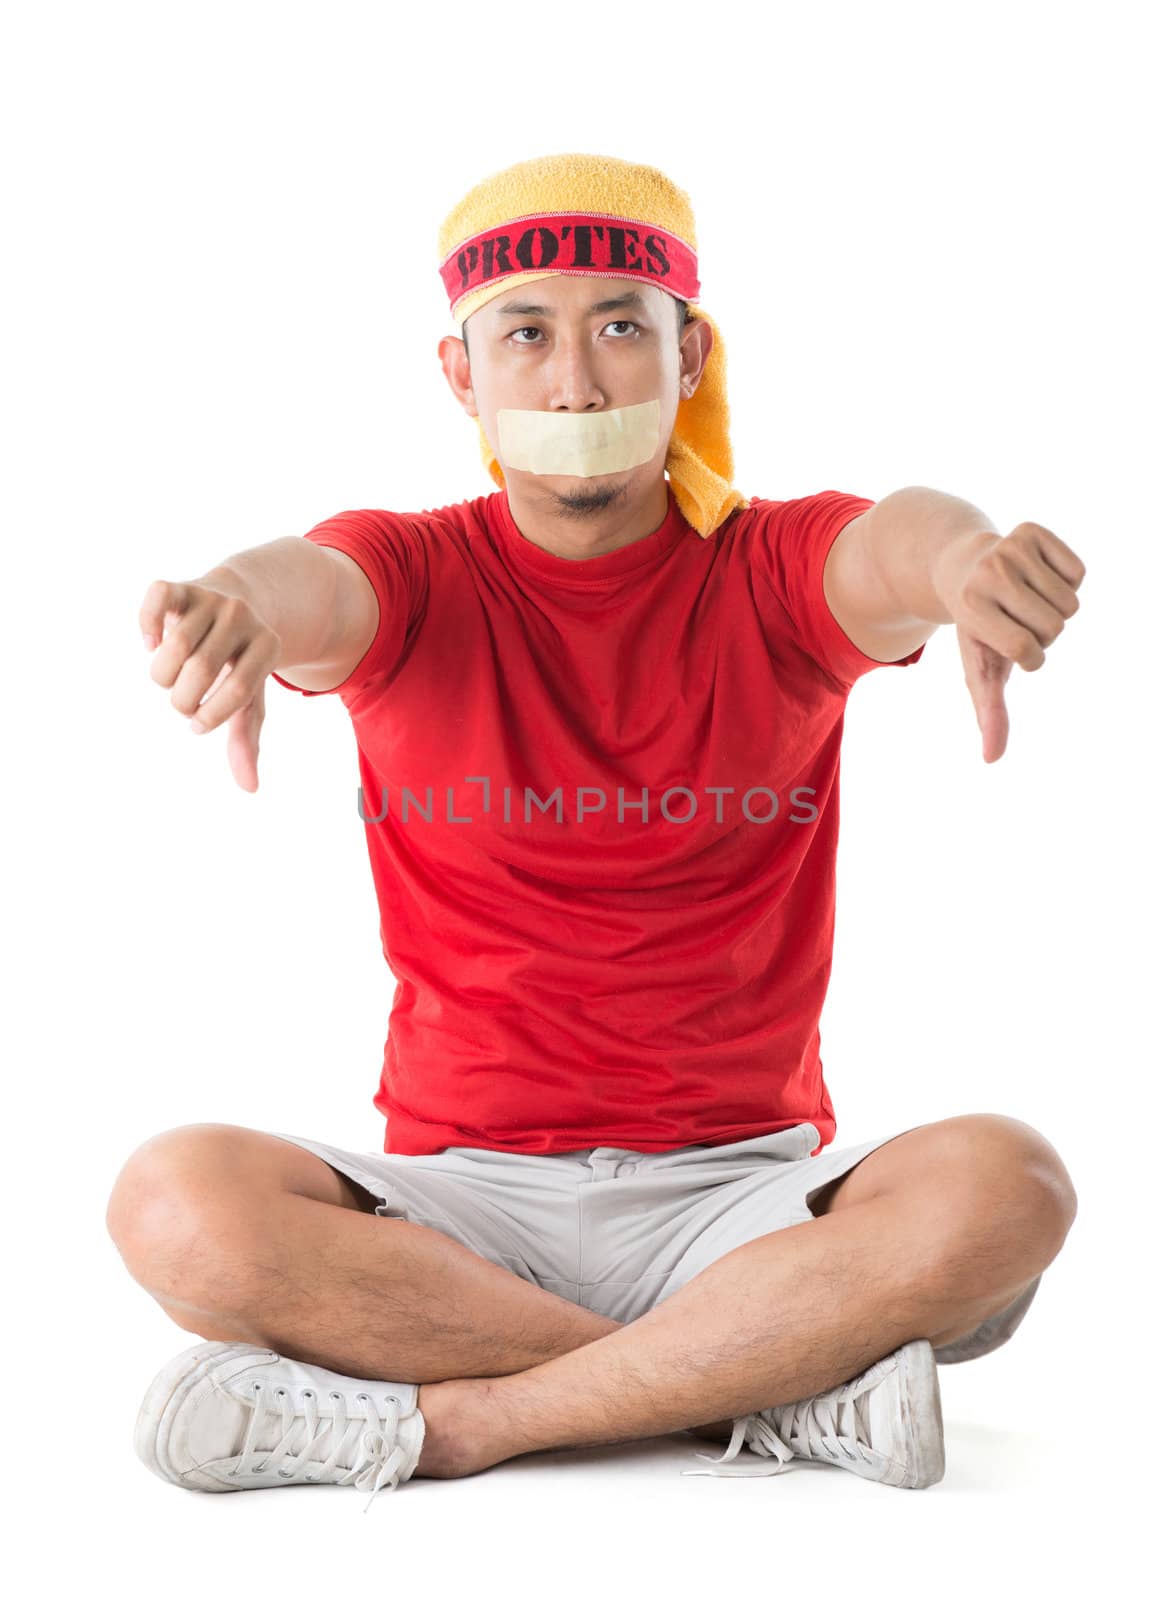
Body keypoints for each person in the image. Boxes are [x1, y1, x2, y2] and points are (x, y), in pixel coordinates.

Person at [111, 152, 1085, 1511]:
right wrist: (232, 603)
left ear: (690, 355)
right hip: (458, 1209)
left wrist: (970, 561)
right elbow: (310, 589)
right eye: (528, 334)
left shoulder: (770, 565)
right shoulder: (410, 569)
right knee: (172, 1204)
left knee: (1009, 1187)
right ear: (464, 377)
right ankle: (779, 1382)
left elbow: (896, 545)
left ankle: (452, 1426)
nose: (576, 382)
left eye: (623, 326)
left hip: (743, 1201)